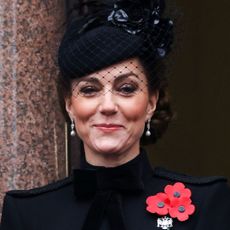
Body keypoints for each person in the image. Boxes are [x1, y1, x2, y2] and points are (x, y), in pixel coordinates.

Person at [1, 0, 230, 229]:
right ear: (69, 104)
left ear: (151, 102)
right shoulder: (27, 214)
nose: (108, 106)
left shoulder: (204, 203)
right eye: (89, 90)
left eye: (126, 89)